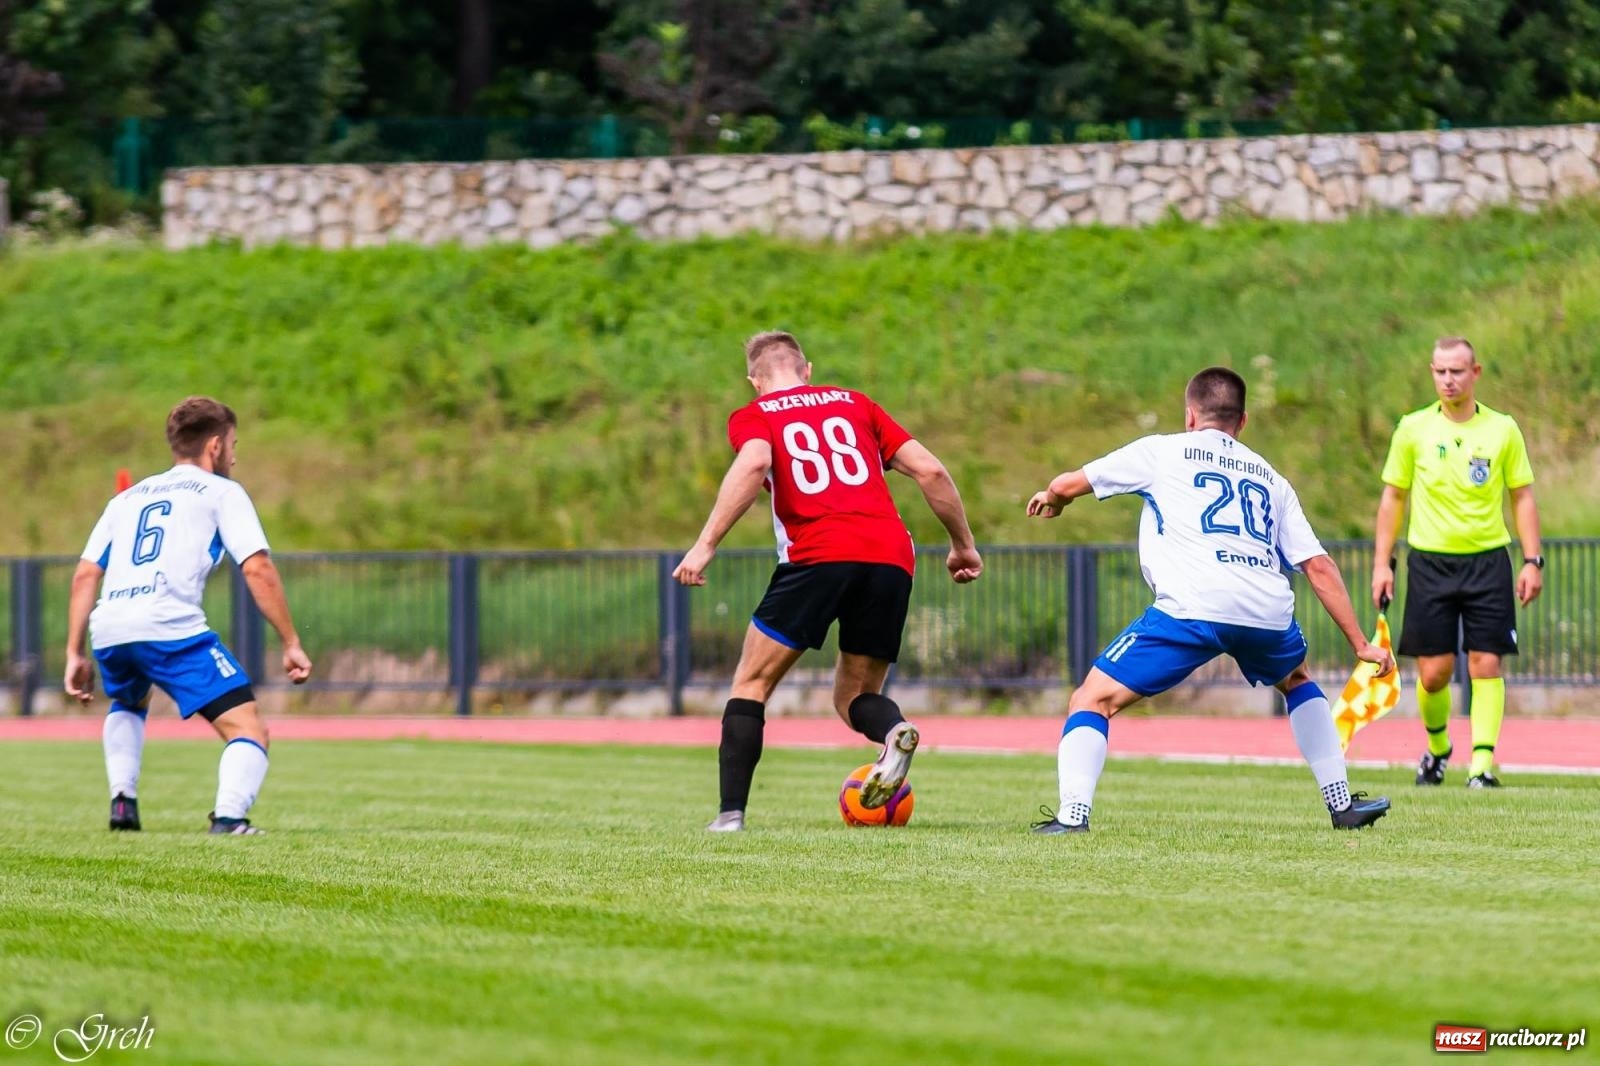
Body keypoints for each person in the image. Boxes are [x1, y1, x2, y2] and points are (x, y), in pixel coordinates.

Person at [1025, 367, 1393, 833]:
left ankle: (1072, 816)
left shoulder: (1162, 450)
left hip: (1194, 606)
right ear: (1242, 422)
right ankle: (1342, 805)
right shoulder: (1271, 477)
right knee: (1298, 680)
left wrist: (1055, 499)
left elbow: (1068, 483)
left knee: (1091, 699)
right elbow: (1318, 565)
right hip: (1266, 608)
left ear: (1190, 415)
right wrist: (1360, 642)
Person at [674, 331, 983, 832]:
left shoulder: (756, 415)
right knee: (853, 697)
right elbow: (931, 472)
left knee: (752, 683)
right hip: (890, 554)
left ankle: (730, 815)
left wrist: (705, 544)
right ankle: (895, 730)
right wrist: (962, 546)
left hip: (817, 554)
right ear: (807, 369)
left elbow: (754, 462)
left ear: (754, 381)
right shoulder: (857, 404)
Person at [64, 397, 313, 835]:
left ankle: (124, 803)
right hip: (168, 626)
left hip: (111, 626)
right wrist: (291, 641)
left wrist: (73, 652)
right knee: (249, 728)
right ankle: (230, 819)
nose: (234, 455)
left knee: (128, 700)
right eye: (234, 444)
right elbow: (257, 567)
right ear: (215, 446)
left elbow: (86, 574)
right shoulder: (222, 492)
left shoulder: (127, 498)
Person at [1372, 337, 1542, 788]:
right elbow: (1393, 496)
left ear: (1475, 373)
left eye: (1458, 371)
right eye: (1441, 371)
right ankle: (1439, 747)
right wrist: (1382, 563)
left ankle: (1482, 766)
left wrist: (1532, 560)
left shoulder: (1503, 429)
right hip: (1430, 564)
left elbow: (1521, 495)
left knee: (1486, 662)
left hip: (1488, 561)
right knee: (1434, 673)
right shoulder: (1412, 429)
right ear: (1432, 372)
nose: (1449, 380)